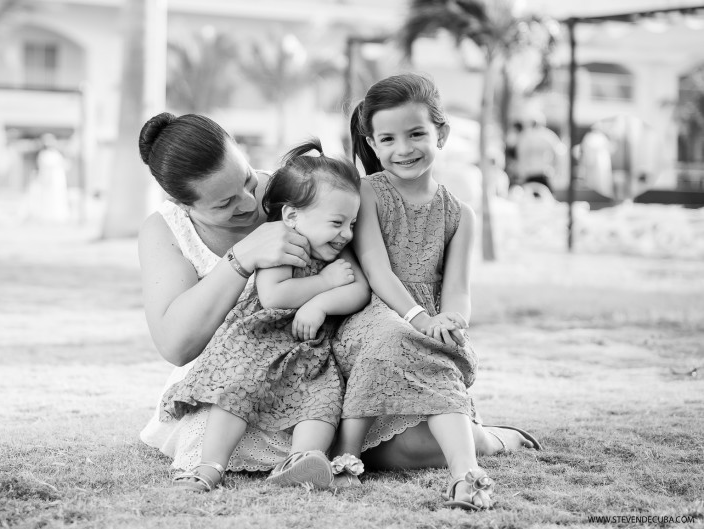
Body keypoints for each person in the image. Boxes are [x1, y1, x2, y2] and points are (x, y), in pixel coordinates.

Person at [136, 112, 538, 489]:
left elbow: (360, 265)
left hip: (324, 354)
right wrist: (240, 259)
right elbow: (176, 345)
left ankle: (486, 439)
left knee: (408, 443)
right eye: (224, 203)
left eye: (245, 181)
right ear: (185, 205)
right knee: (229, 428)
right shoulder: (165, 230)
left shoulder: (294, 189)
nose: (247, 202)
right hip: (239, 366)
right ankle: (256, 463)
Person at [336, 73, 540, 510]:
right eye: (388, 139)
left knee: (436, 354)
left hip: (425, 319)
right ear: (372, 144)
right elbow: (376, 268)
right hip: (373, 310)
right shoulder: (368, 192)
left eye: (416, 134)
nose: (403, 149)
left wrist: (451, 321)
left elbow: (458, 291)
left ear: (441, 133)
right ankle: (345, 458)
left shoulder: (460, 214)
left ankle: (467, 477)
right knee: (394, 336)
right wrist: (418, 319)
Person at [160, 139, 370, 492]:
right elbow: (274, 295)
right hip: (257, 340)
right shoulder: (281, 242)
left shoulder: (339, 250)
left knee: (322, 399)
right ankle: (209, 466)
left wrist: (320, 305)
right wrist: (322, 282)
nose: (347, 233)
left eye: (352, 223)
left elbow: (358, 290)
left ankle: (304, 461)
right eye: (338, 222)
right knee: (237, 391)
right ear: (292, 216)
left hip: (309, 349)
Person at [515, 113, 564, 196]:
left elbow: (520, 156)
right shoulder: (548, 136)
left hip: (534, 174)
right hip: (541, 173)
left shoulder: (525, 136)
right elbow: (559, 153)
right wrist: (555, 169)